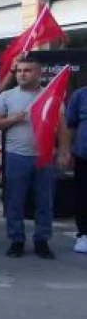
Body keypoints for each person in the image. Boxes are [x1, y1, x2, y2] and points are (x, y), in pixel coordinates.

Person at [0, 57, 71, 259]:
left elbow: (62, 127)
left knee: (44, 201)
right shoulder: (7, 96)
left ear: (39, 73)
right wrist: (14, 119)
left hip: (44, 156)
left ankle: (42, 240)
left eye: (27, 70)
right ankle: (16, 240)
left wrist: (64, 151)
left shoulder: (51, 96)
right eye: (19, 70)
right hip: (17, 156)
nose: (22, 74)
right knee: (14, 201)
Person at [65, 82, 87, 254]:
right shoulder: (80, 95)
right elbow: (70, 125)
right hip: (83, 154)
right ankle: (83, 234)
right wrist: (68, 151)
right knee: (83, 195)